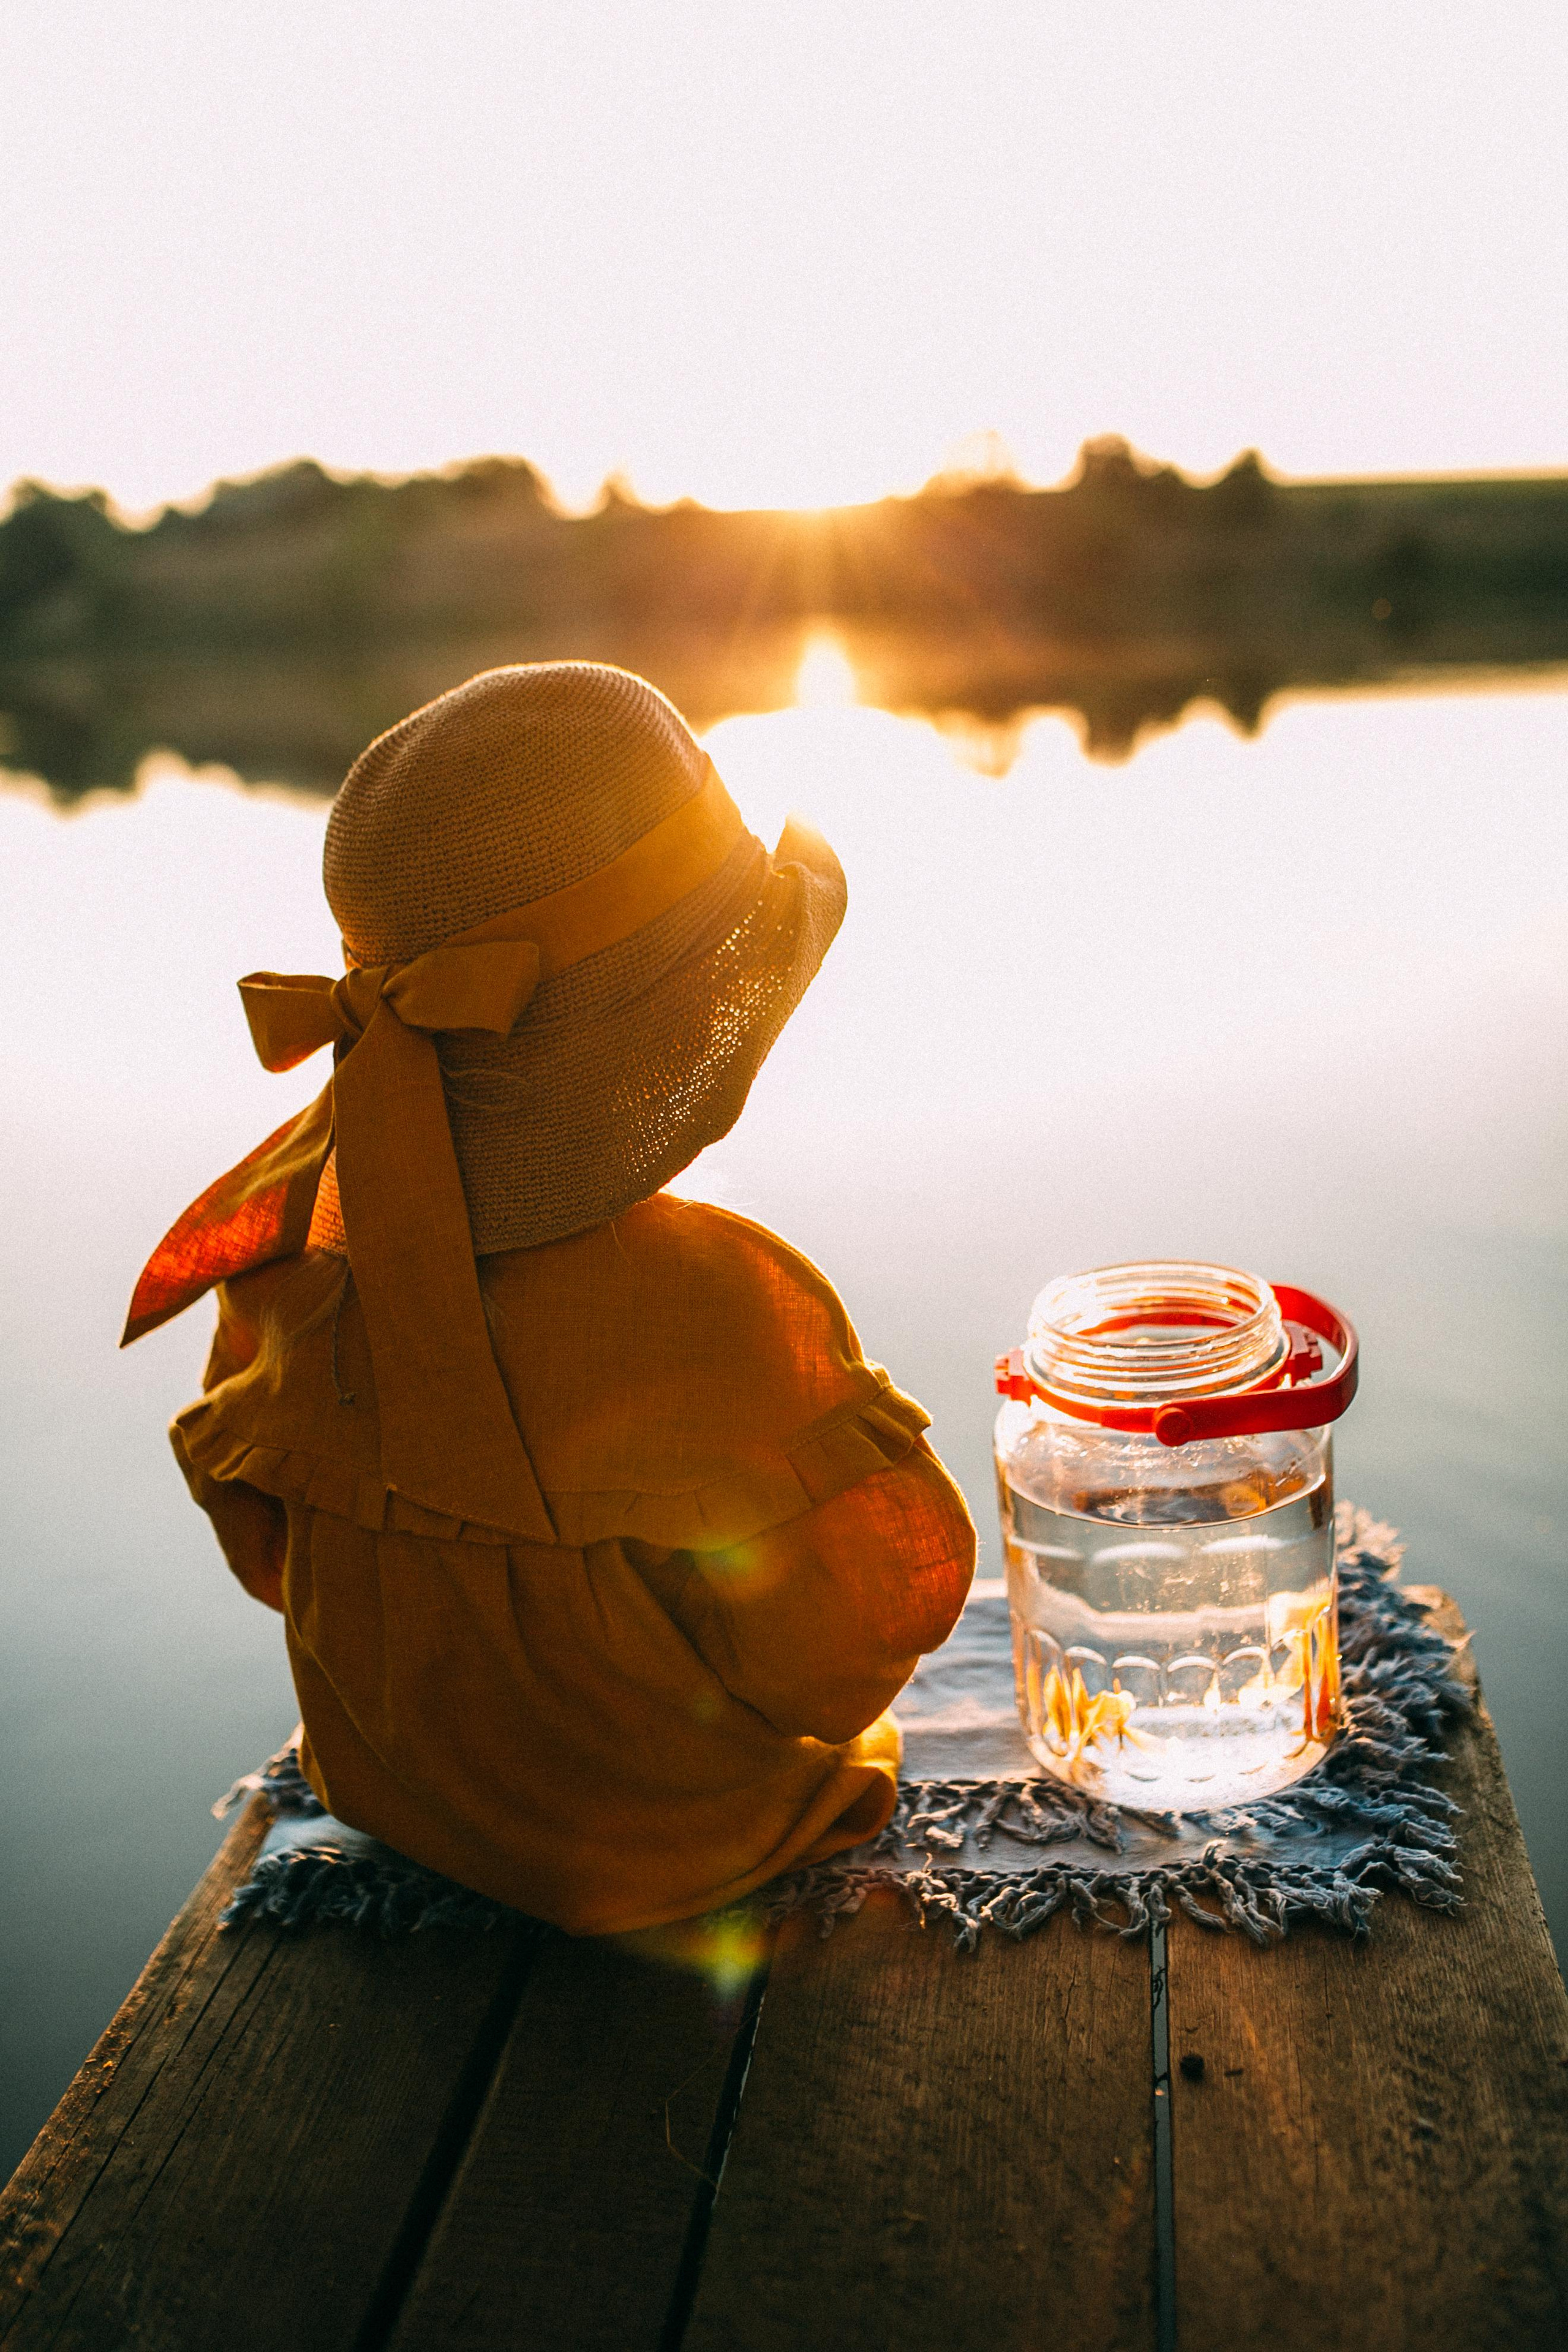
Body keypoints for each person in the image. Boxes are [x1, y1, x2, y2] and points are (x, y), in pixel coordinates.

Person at [123, 663, 976, 1935]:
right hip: (694, 1841)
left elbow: (265, 1553)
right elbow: (847, 1641)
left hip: (391, 1795)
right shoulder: (721, 1301)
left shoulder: (286, 1260)